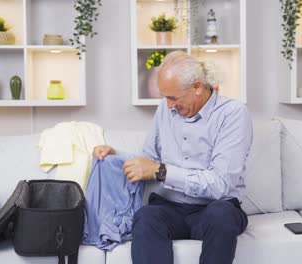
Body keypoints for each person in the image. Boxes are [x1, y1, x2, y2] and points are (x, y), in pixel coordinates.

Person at [93, 50, 253, 264]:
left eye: (172, 98)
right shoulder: (165, 109)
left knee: (221, 215)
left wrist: (161, 171)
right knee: (146, 217)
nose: (168, 105)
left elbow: (220, 184)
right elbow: (149, 159)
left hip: (215, 209)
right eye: (165, 98)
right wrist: (117, 154)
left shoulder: (232, 114)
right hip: (171, 209)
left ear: (197, 87)